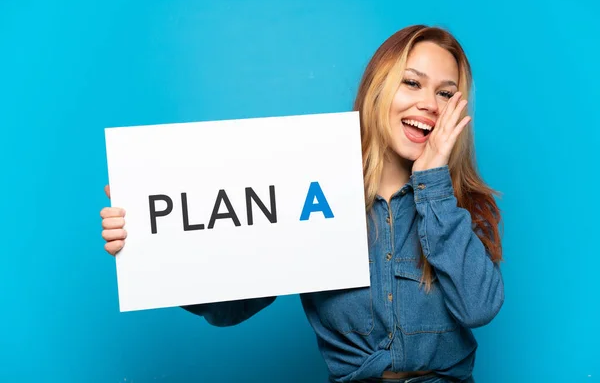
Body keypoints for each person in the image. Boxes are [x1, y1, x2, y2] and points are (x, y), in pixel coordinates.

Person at [100, 24, 504, 383]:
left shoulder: (459, 206)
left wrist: (432, 184)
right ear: (380, 88)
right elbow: (227, 309)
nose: (429, 104)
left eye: (445, 93)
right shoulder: (314, 192)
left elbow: (478, 308)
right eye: (412, 83)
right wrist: (152, 243)